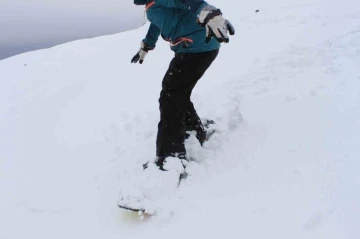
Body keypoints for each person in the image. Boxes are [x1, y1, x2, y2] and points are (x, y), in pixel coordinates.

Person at [132, 0, 235, 171]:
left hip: (196, 49)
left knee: (170, 97)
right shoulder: (153, 5)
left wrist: (209, 13)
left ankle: (171, 156)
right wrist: (146, 46)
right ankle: (194, 130)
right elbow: (156, 24)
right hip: (195, 48)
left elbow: (189, 1)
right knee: (176, 92)